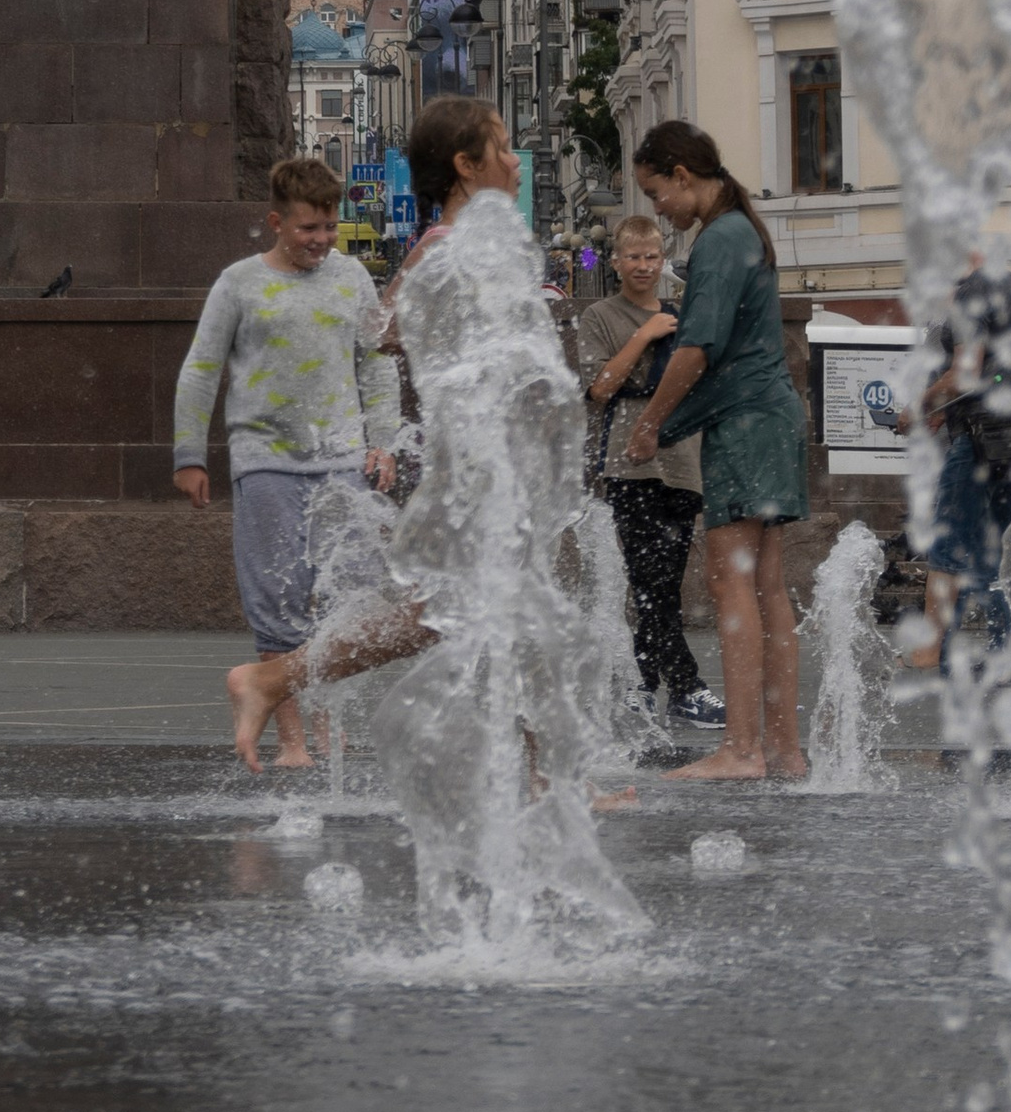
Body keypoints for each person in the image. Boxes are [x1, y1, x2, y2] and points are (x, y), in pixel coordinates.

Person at [207, 115, 515, 771]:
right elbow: (379, 334)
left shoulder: (463, 245)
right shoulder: (443, 245)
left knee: (488, 610)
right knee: (453, 611)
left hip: (476, 459)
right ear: (466, 166)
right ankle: (275, 689)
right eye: (504, 149)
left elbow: (381, 341)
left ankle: (550, 781)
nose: (516, 162)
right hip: (451, 461)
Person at [174, 154, 402, 769]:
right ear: (276, 222)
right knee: (280, 602)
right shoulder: (239, 283)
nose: (321, 240)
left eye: (329, 227)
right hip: (266, 462)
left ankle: (328, 730)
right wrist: (189, 456)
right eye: (308, 228)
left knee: (345, 601)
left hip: (342, 462)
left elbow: (376, 365)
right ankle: (293, 741)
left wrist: (382, 441)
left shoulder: (352, 278)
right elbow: (200, 369)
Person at [622, 120, 810, 785]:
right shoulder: (742, 230)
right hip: (771, 419)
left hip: (745, 425)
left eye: (656, 193)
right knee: (766, 584)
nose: (657, 209)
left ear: (682, 174)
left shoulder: (721, 238)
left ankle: (741, 749)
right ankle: (782, 750)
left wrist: (650, 424)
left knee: (731, 581)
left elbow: (697, 347)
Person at [575, 215, 722, 730]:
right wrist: (645, 333)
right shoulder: (599, 315)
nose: (643, 266)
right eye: (633, 257)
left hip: (681, 463)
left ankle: (642, 685)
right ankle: (686, 687)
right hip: (629, 465)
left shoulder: (683, 315)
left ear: (663, 261)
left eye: (652, 257)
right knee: (649, 582)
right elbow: (599, 388)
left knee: (663, 586)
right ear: (616, 262)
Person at [903, 251, 1011, 673]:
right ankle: (1008, 652)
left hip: (977, 440)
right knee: (989, 549)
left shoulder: (970, 293)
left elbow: (965, 371)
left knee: (948, 542)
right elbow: (1000, 367)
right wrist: (942, 412)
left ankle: (929, 652)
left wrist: (917, 408)